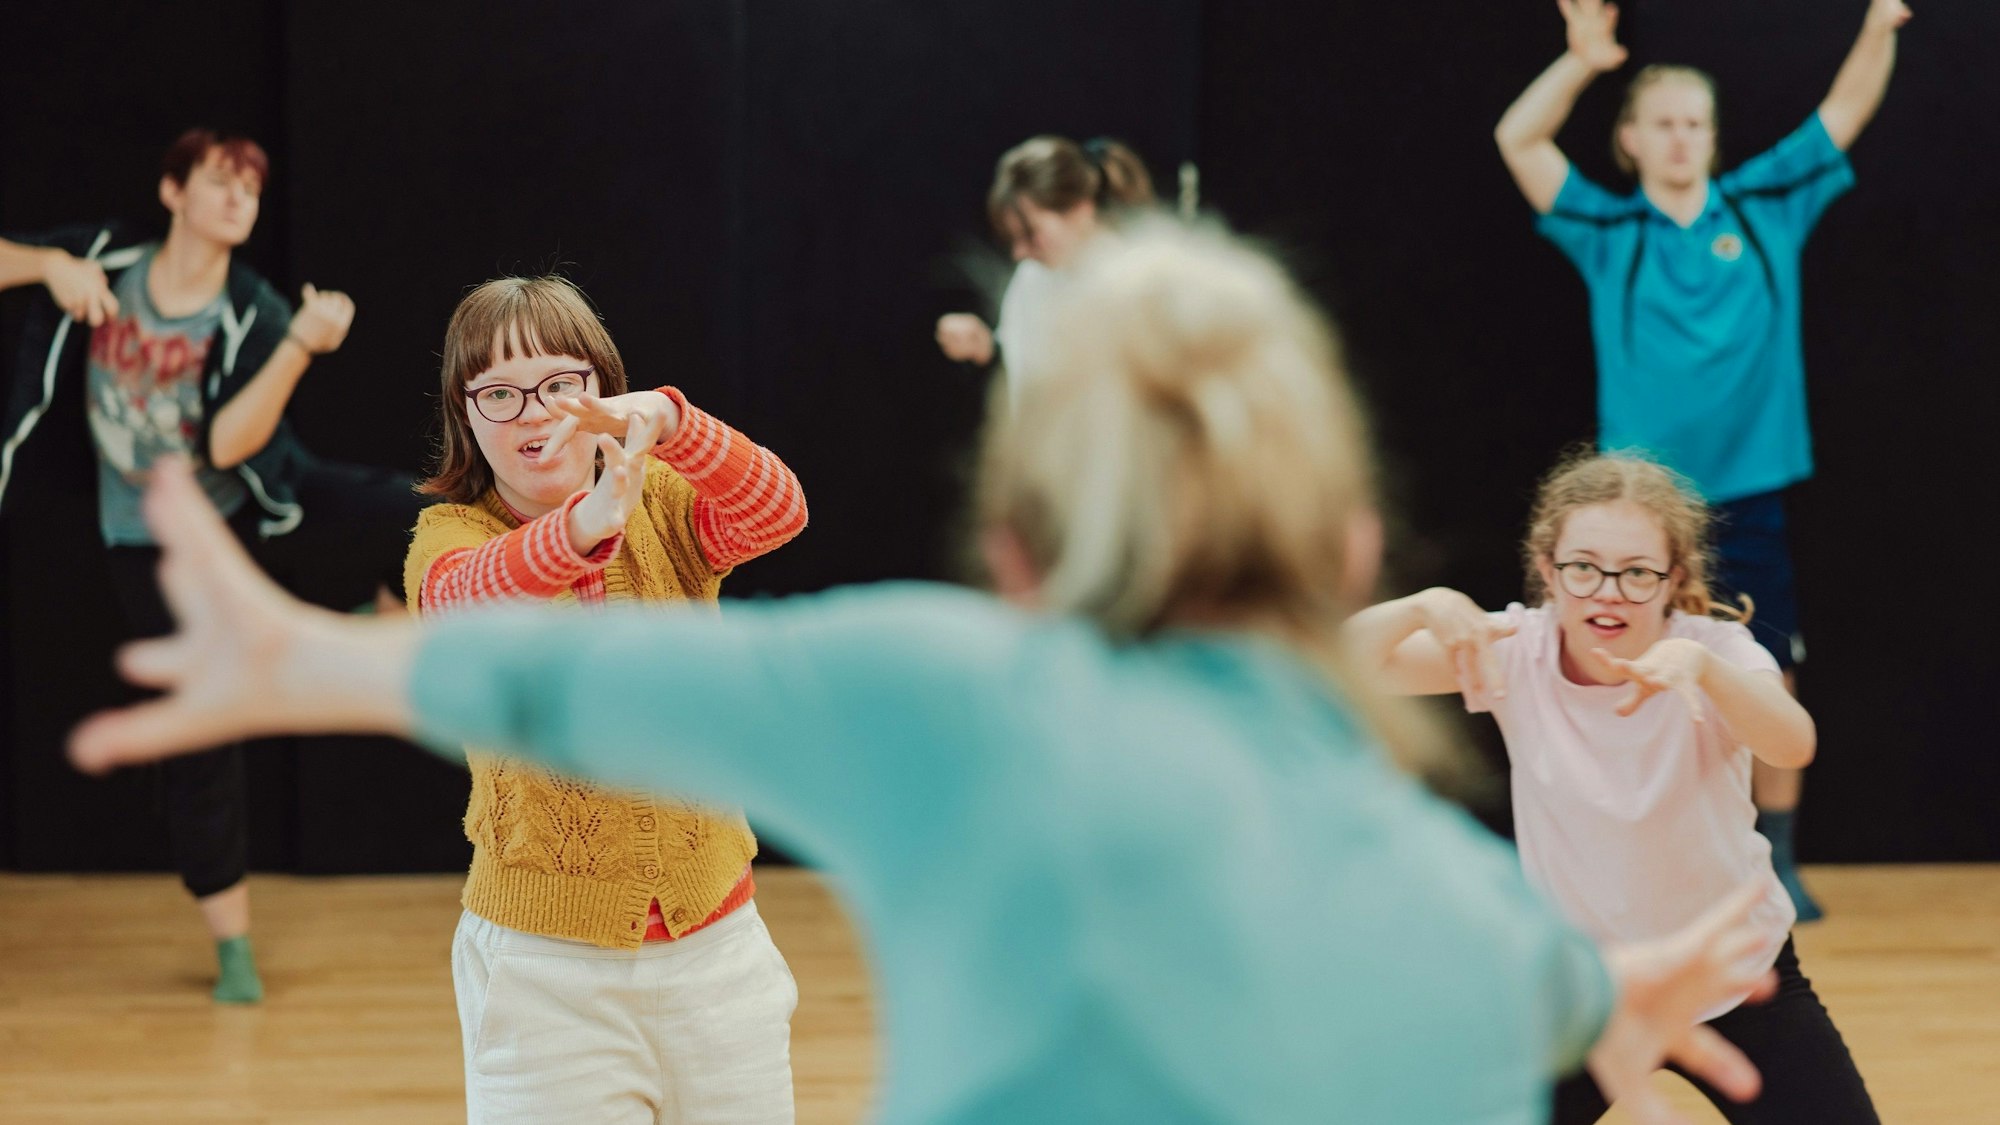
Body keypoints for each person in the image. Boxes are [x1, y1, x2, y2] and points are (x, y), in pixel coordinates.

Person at [76, 222, 1774, 1124]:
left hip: (710, 952)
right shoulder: (1411, 867)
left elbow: (582, 683)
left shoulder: (941, 696)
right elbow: (1515, 972)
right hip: (549, 963)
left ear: (1014, 558)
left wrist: (300, 657)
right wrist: (1600, 999)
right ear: (1344, 554)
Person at [1492, 0, 1912, 920]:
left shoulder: (1765, 207)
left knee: (1765, 671)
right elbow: (1517, 138)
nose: (1681, 139)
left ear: (1713, 139)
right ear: (1632, 140)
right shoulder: (1610, 233)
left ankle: (1781, 858)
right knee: (1608, 657)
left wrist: (1879, 26)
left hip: (1750, 492)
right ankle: (1616, 857)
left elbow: (1843, 110)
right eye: (1663, 124)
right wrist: (1581, 59)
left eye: (1696, 123)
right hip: (1635, 513)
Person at [0, 128, 428, 1003]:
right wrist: (46, 266)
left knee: (412, 504)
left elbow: (234, 441)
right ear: (174, 191)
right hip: (147, 539)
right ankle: (233, 946)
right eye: (222, 181)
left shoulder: (257, 310)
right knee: (207, 730)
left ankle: (366, 624)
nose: (239, 199)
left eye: (252, 190)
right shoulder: (105, 258)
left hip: (253, 508)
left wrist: (301, 343)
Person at [1348, 451, 1877, 1123]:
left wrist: (1707, 672)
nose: (1607, 591)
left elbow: (1793, 743)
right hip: (1586, 988)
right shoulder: (1518, 650)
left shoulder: (1714, 649)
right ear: (1548, 570)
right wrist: (1419, 607)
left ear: (1672, 578)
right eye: (1584, 568)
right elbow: (1342, 664)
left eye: (1636, 573)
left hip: (1735, 975)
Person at [408, 275, 808, 1122]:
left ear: (601, 388)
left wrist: (674, 421)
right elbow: (458, 600)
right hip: (543, 974)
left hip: (718, 949)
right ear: (466, 412)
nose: (532, 412)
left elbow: (778, 510)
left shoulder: (661, 502)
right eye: (500, 393)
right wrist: (583, 526)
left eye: (560, 384)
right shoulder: (452, 534)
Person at [934, 135, 1155, 408]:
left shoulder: (1137, 284)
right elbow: (1027, 367)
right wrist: (988, 347)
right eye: (1013, 238)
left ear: (1081, 209)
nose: (1020, 253)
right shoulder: (1033, 276)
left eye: (1031, 234)